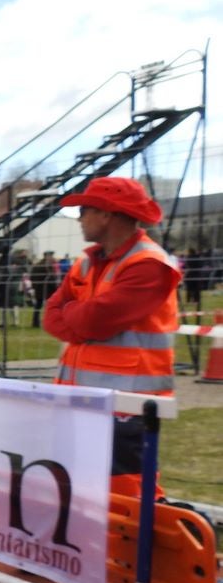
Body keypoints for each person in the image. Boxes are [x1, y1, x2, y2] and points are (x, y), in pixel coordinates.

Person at [43, 176, 179, 500]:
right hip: (80, 400)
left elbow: (94, 320)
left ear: (107, 214)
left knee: (127, 499)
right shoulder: (88, 261)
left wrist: (77, 314)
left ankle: (138, 553)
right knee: (80, 493)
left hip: (126, 407)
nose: (79, 218)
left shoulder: (149, 265)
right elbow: (51, 315)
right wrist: (83, 317)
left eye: (85, 209)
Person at [30, 250, 61, 328]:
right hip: (47, 288)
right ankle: (49, 322)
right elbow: (51, 278)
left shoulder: (37, 265)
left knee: (38, 306)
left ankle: (35, 322)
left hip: (39, 288)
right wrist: (56, 288)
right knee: (50, 306)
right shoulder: (47, 266)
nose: (52, 257)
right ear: (47, 256)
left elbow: (32, 277)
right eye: (51, 256)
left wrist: (35, 286)